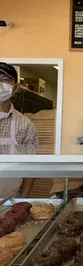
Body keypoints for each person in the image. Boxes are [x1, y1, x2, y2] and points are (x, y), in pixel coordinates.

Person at [0, 62, 38, 198]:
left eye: (5, 80)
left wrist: (22, 200)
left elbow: (30, 166)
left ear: (15, 88)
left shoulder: (25, 124)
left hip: (11, 201)